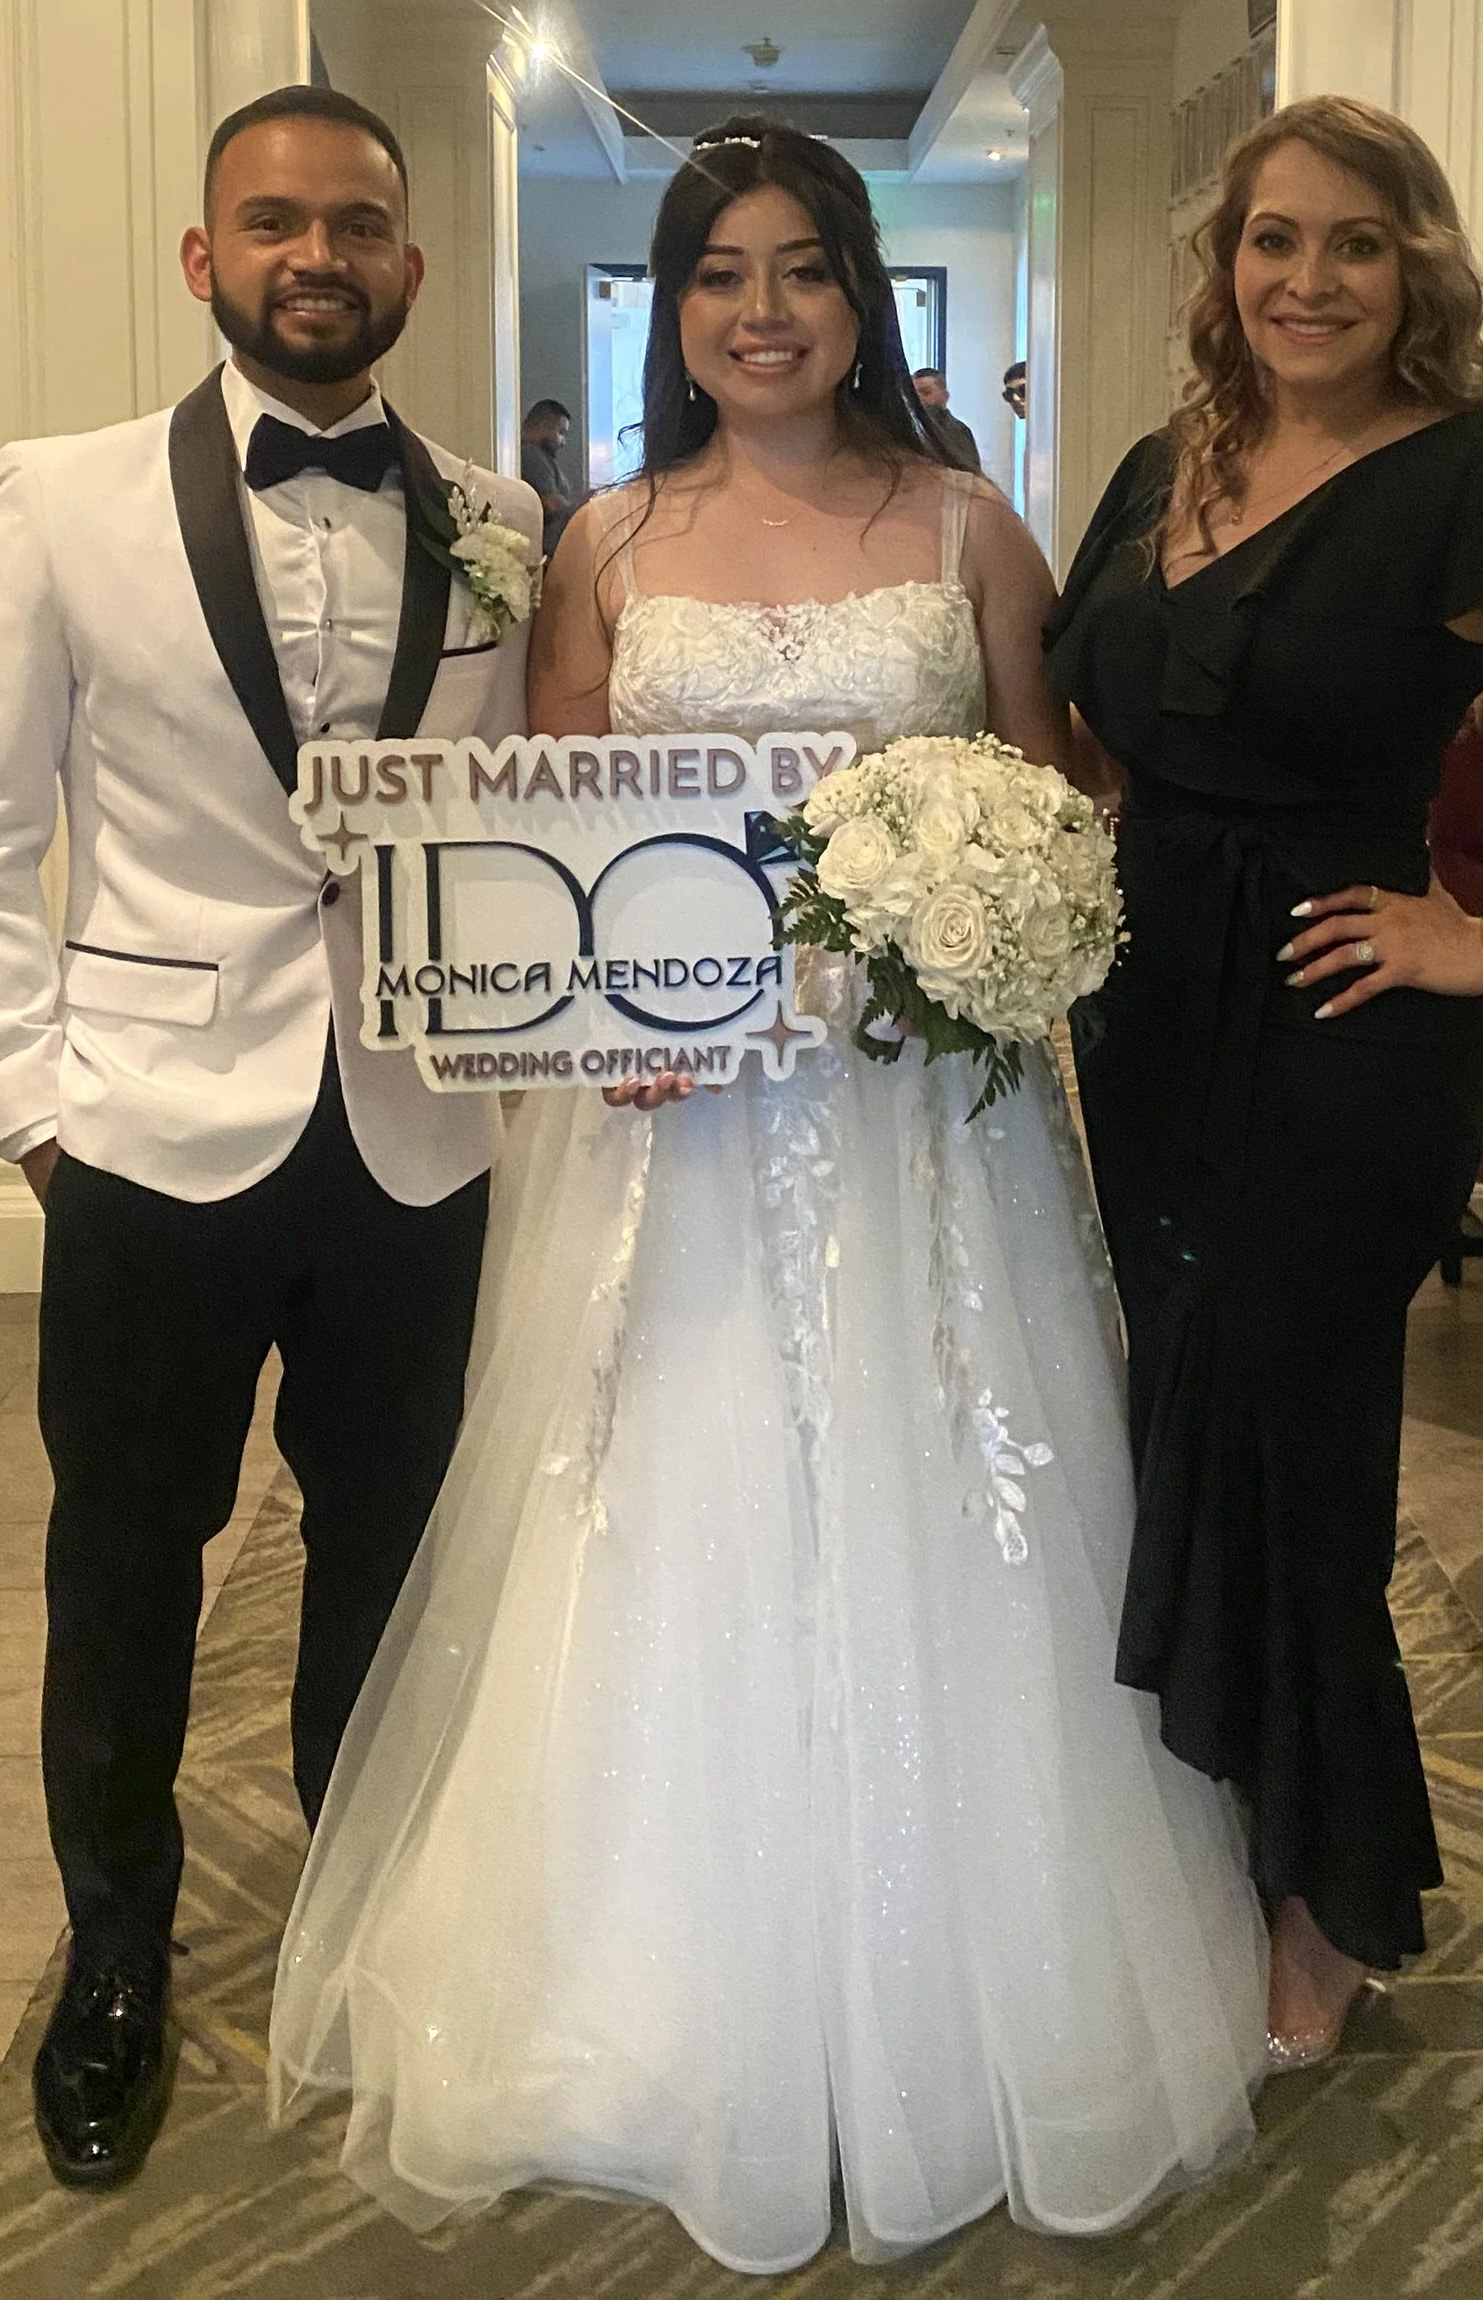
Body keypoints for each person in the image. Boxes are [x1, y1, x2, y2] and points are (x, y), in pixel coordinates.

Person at [272, 117, 1264, 2273]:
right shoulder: (605, 543)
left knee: (952, 1496)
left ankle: (973, 1988)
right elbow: (553, 822)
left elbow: (1050, 800)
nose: (759, 309)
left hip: (928, 1124)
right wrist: (591, 1005)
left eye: (802, 267)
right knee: (670, 1494)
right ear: (674, 302)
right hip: (682, 1113)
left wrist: (982, 918)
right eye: (718, 271)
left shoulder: (965, 524)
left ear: (862, 295)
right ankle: (644, 1995)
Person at [1043, 95, 1483, 2068]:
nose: (1306, 278)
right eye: (1272, 240)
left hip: (1346, 1026)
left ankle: (1329, 1900)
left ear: (1415, 268)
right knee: (1177, 1416)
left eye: (1354, 242)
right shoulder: (1155, 460)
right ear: (1223, 266)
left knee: (1292, 1445)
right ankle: (1226, 1827)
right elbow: (1106, 734)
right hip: (1152, 1014)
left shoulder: (1475, 478)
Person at [0, 85, 540, 2194]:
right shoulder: (60, 500)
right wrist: (30, 1113)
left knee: (389, 1558)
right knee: (123, 1567)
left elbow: (527, 819)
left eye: (357, 222)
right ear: (204, 258)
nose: (317, 252)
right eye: (273, 220)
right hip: (144, 1131)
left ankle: (356, 1940)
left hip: (417, 1134)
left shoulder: (499, 513)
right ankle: (114, 1956)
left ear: (409, 266)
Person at [519, 393, 577, 552]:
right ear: (543, 425)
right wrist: (582, 510)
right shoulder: (532, 455)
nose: (563, 442)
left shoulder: (536, 456)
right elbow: (551, 503)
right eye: (561, 433)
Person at [910, 361, 980, 470]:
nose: (919, 400)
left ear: (944, 396)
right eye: (914, 395)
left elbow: (971, 473)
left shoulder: (959, 431)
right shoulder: (906, 430)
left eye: (926, 393)